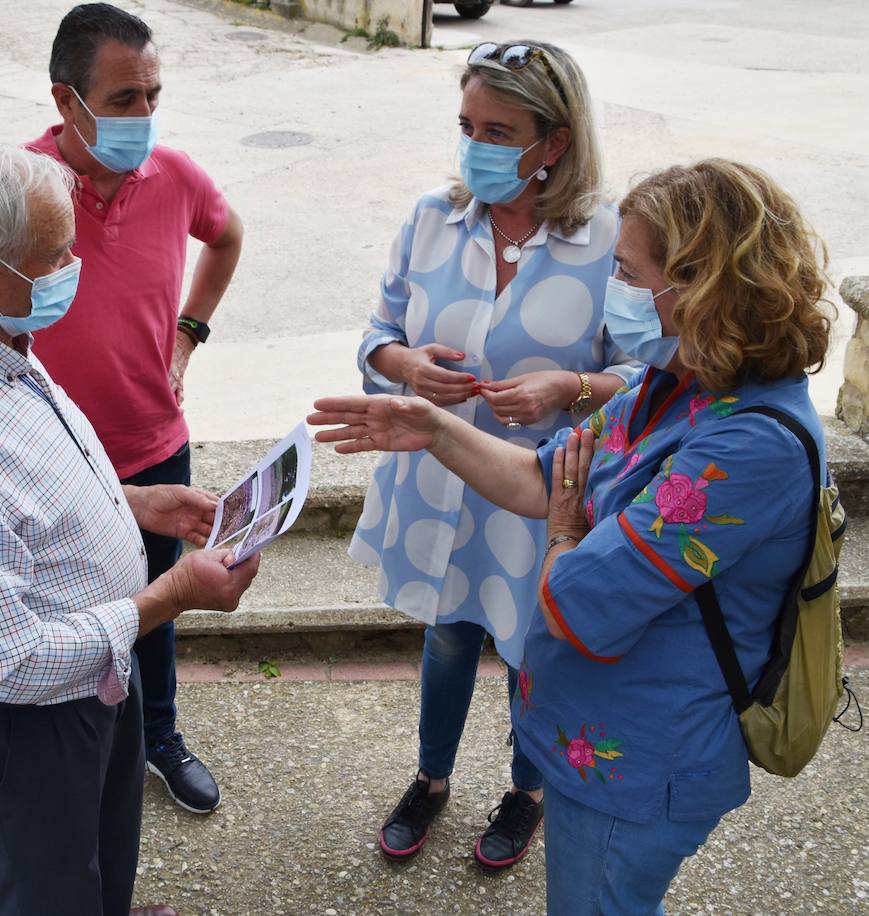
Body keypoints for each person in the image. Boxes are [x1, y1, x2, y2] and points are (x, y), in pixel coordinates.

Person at [312, 158, 833, 913]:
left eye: (625, 271)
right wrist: (432, 429)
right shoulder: (677, 383)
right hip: (597, 743)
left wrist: (565, 528)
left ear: (696, 283)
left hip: (641, 769)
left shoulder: (751, 447)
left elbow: (577, 605)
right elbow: (542, 474)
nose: (612, 290)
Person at [0, 141, 260, 916]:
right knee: (46, 892)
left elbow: (20, 493)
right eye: (57, 254)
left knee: (100, 856)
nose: (76, 265)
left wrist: (137, 503)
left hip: (96, 671)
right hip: (28, 721)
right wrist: (170, 595)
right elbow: (14, 662)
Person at [353, 40, 635, 869]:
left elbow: (648, 377)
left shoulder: (610, 238)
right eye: (468, 125)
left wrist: (569, 387)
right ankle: (430, 779)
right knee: (447, 638)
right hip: (440, 484)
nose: (476, 145)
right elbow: (377, 336)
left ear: (554, 141)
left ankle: (528, 790)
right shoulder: (430, 220)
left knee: (530, 649)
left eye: (499, 129)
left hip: (541, 494)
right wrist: (403, 366)